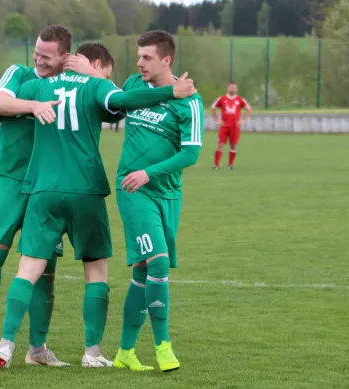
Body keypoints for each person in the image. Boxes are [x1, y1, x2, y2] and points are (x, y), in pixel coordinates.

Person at [0, 42, 197, 370]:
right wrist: (171, 92)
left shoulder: (38, 85)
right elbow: (122, 101)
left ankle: (5, 344)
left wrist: (27, 105)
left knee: (28, 269)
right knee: (96, 273)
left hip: (42, 189)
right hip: (85, 190)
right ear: (94, 63)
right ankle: (92, 352)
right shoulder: (98, 86)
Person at [0, 25, 76, 366]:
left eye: (47, 56)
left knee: (44, 266)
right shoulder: (19, 73)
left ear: (65, 57)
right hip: (8, 179)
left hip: (47, 185)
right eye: (37, 53)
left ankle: (37, 349)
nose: (39, 60)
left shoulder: (71, 86)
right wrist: (34, 105)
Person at [109, 30, 204, 373]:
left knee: (143, 271)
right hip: (133, 189)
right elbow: (117, 103)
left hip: (168, 193)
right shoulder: (135, 82)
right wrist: (142, 175)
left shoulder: (190, 100)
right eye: (139, 56)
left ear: (167, 59)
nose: (139, 63)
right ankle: (164, 347)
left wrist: (151, 172)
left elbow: (191, 154)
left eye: (147, 57)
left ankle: (125, 352)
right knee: (159, 263)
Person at [211, 82, 251, 170]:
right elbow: (213, 108)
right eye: (231, 88)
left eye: (234, 88)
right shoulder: (222, 99)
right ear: (227, 88)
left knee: (233, 146)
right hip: (224, 126)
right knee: (220, 144)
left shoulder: (240, 99)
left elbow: (248, 109)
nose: (232, 89)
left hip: (235, 127)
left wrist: (243, 120)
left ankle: (230, 165)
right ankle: (216, 164)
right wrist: (217, 120)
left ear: (236, 89)